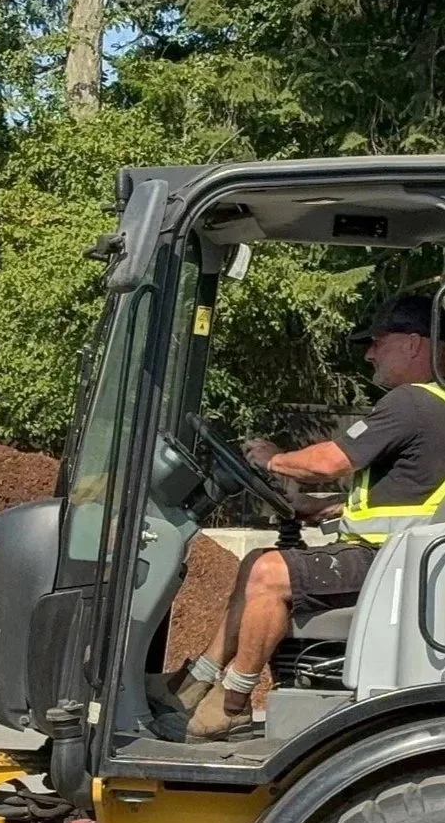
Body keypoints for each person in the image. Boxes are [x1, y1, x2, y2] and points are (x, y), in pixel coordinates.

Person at [152, 293, 445, 740]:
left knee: (271, 572)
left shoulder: (412, 403)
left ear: (412, 343)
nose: (369, 353)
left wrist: (273, 459)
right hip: (397, 559)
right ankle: (198, 680)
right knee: (255, 563)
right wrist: (322, 508)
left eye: (377, 342)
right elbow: (412, 496)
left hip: (392, 565)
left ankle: (232, 703)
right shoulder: (433, 406)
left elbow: (330, 461)